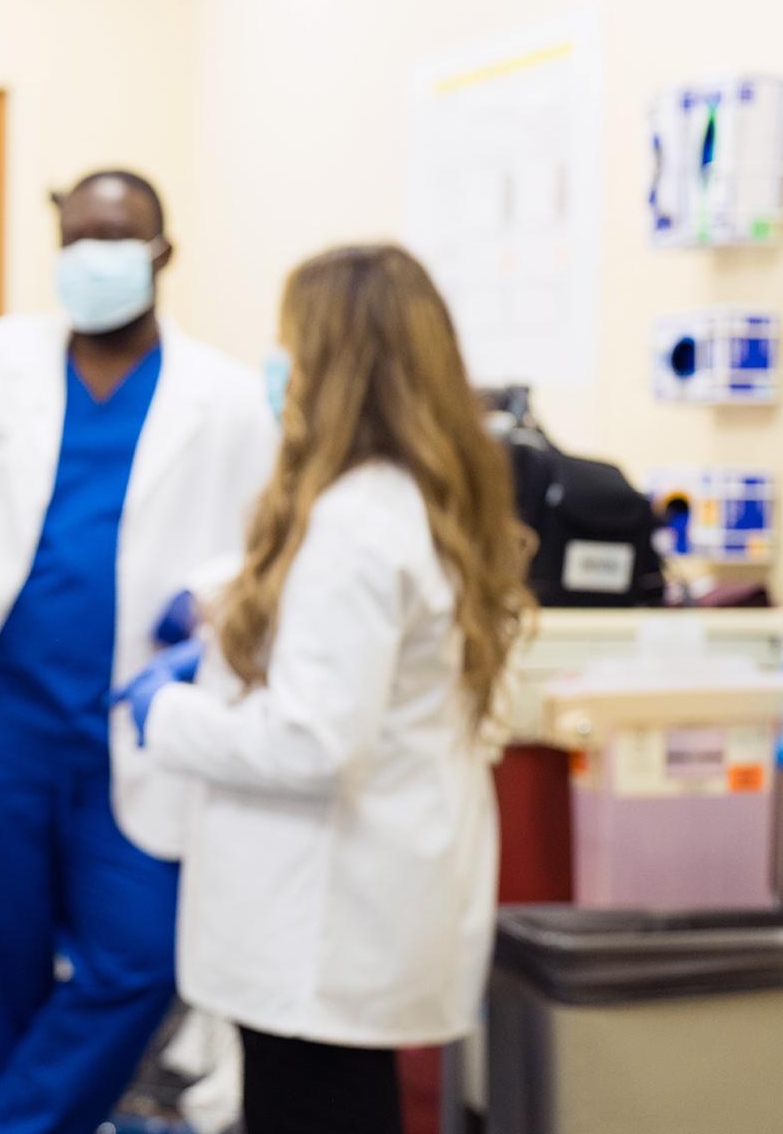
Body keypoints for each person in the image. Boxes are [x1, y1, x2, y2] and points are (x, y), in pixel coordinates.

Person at [0, 169, 279, 1133]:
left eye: (118, 240)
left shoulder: (224, 399)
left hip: (137, 722)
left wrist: (214, 595)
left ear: (161, 255)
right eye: (79, 240)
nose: (95, 260)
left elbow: (269, 541)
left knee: (142, 958)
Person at [112, 243, 533, 1134]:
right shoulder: (413, 498)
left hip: (318, 920)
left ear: (340, 365)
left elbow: (311, 740)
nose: (279, 367)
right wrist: (229, 629)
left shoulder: (355, 522)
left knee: (313, 1104)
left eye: (290, 345)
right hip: (358, 903)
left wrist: (169, 714)